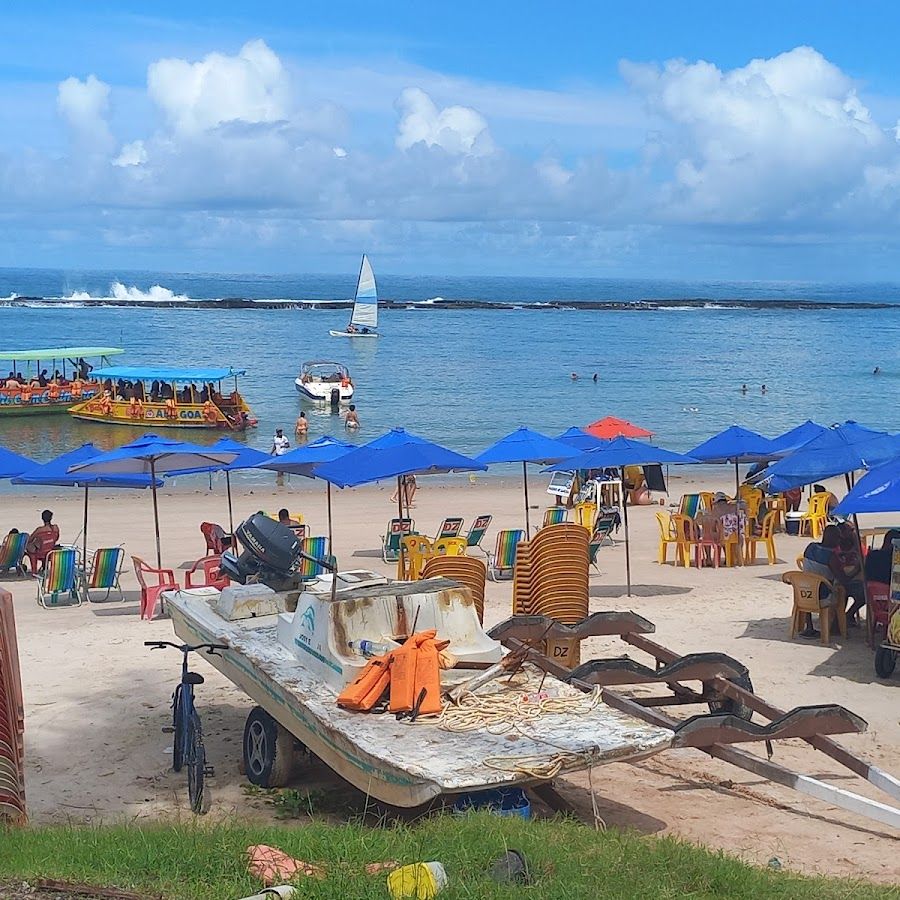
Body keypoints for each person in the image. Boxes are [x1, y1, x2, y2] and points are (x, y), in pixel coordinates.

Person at [801, 525, 865, 636]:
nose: (840, 540)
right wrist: (858, 569)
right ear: (833, 538)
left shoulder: (810, 547)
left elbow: (820, 558)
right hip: (823, 595)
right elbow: (844, 578)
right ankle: (838, 623)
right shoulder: (830, 556)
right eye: (838, 538)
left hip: (804, 591)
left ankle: (809, 626)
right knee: (845, 589)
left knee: (836, 586)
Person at [25, 510, 60, 574]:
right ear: (51, 518)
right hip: (50, 551)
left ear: (42, 518)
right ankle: (44, 567)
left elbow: (30, 539)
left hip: (41, 552)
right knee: (44, 545)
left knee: (30, 549)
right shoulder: (56, 528)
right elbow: (56, 538)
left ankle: (34, 571)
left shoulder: (40, 530)